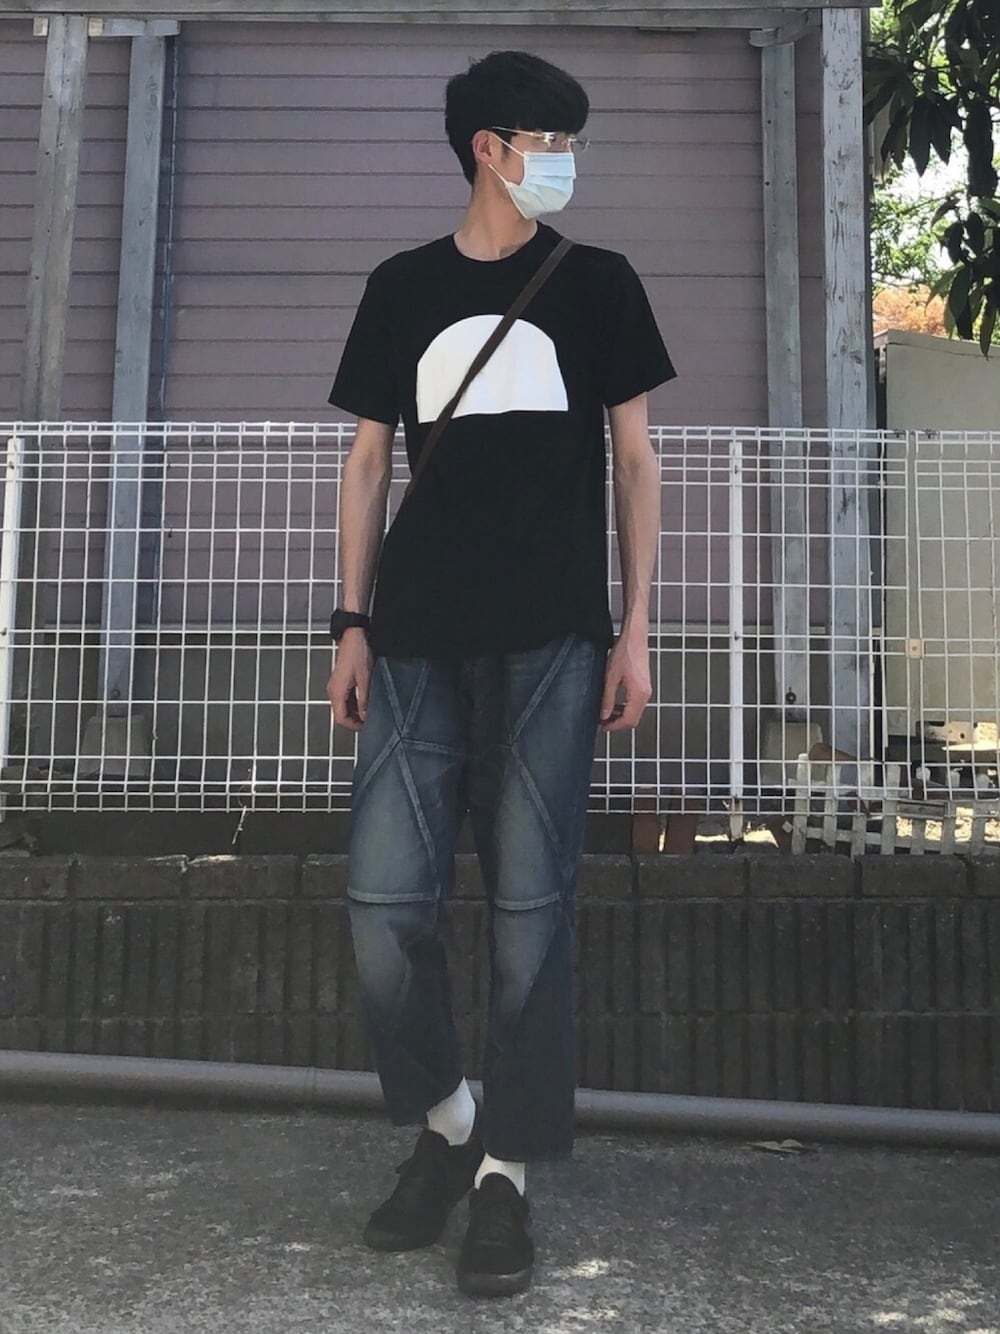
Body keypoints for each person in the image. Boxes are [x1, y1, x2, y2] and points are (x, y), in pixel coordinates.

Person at [325, 49, 676, 1299]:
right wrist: (350, 621)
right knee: (382, 907)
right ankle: (451, 1124)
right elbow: (368, 463)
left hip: (551, 644)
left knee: (533, 917)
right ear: (490, 146)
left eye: (570, 141)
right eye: (550, 139)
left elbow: (635, 464)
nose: (566, 159)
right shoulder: (402, 286)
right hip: (415, 637)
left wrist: (635, 630)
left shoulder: (601, 285)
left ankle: (504, 1180)